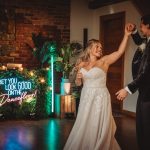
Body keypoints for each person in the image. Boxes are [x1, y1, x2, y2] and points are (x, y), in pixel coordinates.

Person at [63, 24, 131, 150]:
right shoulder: (81, 64)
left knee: (98, 122)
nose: (100, 49)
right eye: (97, 47)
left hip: (101, 96)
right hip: (86, 96)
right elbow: (78, 84)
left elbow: (119, 52)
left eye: (101, 47)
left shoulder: (104, 61)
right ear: (89, 48)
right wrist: (78, 79)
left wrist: (126, 35)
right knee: (85, 122)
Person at [116, 14, 150, 150]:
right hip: (144, 91)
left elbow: (147, 73)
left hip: (148, 94)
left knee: (146, 129)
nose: (140, 27)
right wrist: (134, 31)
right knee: (142, 127)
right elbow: (141, 43)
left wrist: (128, 89)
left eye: (141, 25)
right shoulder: (147, 40)